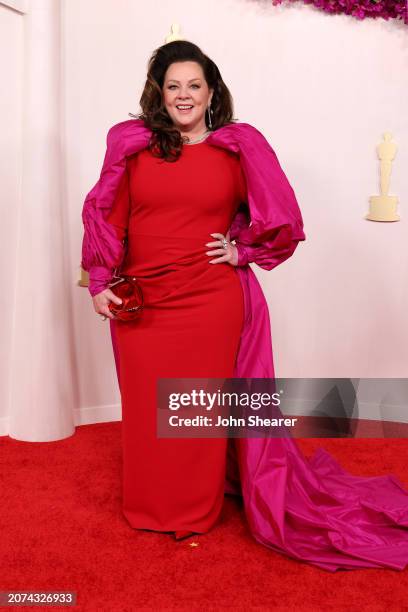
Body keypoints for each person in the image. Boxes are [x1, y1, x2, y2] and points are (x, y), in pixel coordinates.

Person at [81, 40, 408, 571]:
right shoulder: (131, 145)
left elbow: (282, 220)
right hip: (143, 303)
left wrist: (243, 250)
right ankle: (149, 505)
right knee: (148, 411)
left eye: (194, 85)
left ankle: (194, 508)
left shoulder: (238, 147)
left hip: (211, 300)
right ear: (157, 93)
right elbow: (106, 213)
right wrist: (99, 280)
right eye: (173, 86)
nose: (183, 95)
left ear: (212, 92)